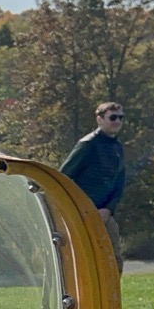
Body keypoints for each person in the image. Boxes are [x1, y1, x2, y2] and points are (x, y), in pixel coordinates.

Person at [59, 102, 127, 271]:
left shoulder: (117, 147)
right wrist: (79, 208)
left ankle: (112, 290)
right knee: (81, 261)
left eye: (121, 117)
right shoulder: (87, 144)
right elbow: (63, 176)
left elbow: (119, 183)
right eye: (113, 117)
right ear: (99, 119)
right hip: (81, 214)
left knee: (113, 261)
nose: (117, 121)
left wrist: (108, 209)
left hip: (105, 215)